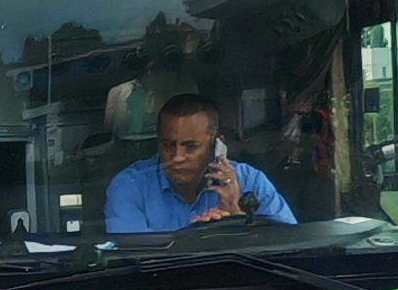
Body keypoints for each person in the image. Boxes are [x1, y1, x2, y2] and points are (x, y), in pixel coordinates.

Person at [104, 93, 298, 232]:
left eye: (190, 147)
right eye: (168, 145)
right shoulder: (130, 186)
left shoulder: (250, 182)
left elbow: (290, 246)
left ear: (216, 145)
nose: (177, 157)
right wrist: (195, 236)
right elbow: (133, 265)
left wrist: (237, 215)